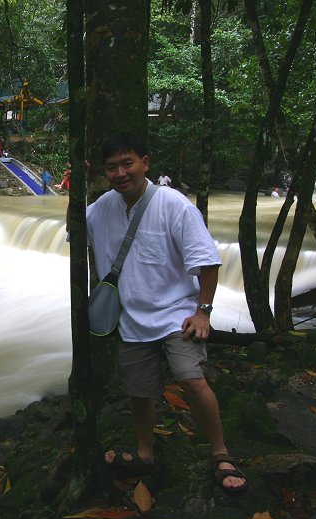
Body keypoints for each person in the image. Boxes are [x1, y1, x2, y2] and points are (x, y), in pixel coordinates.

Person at [87, 132, 247, 494]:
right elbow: (75, 229)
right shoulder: (102, 207)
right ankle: (146, 454)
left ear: (145, 162)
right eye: (112, 167)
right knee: (139, 391)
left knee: (191, 379)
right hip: (131, 318)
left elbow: (207, 262)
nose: (120, 173)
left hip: (176, 313)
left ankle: (221, 453)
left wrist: (203, 312)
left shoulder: (174, 205)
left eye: (128, 163)